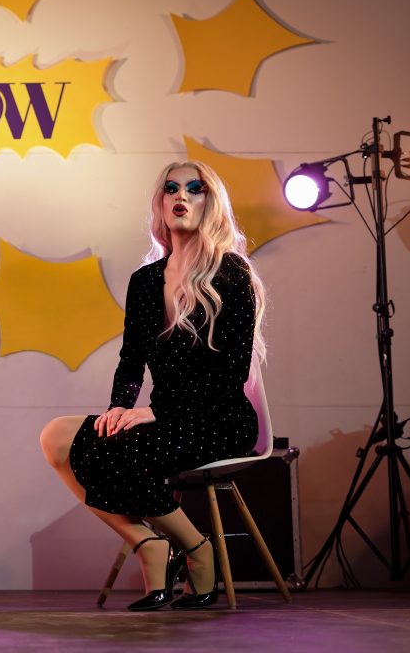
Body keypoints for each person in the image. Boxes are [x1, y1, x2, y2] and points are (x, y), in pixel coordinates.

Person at [40, 160, 266, 611]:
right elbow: (131, 362)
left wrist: (157, 412)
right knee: (59, 437)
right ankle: (148, 543)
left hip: (220, 418)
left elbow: (232, 373)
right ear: (160, 203)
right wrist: (118, 408)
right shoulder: (144, 282)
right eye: (171, 189)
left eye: (195, 189)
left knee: (114, 454)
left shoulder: (231, 273)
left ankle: (197, 551)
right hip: (166, 419)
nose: (181, 196)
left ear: (211, 204)